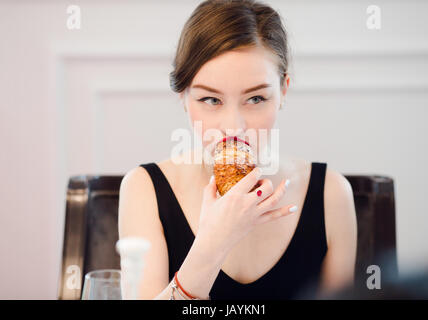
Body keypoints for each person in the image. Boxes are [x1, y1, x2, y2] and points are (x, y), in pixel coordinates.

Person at [118, 0, 357, 300]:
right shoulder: (144, 189)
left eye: (256, 98)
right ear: (183, 96)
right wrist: (212, 244)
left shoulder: (331, 194)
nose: (233, 128)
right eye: (211, 100)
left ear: (282, 91)